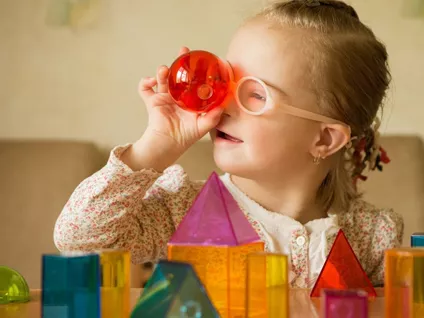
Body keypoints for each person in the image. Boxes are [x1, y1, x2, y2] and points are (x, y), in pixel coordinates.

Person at [54, 0, 404, 288]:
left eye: (254, 94)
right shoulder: (181, 209)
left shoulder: (372, 238)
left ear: (324, 138)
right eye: (224, 82)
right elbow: (80, 238)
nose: (222, 105)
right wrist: (156, 146)